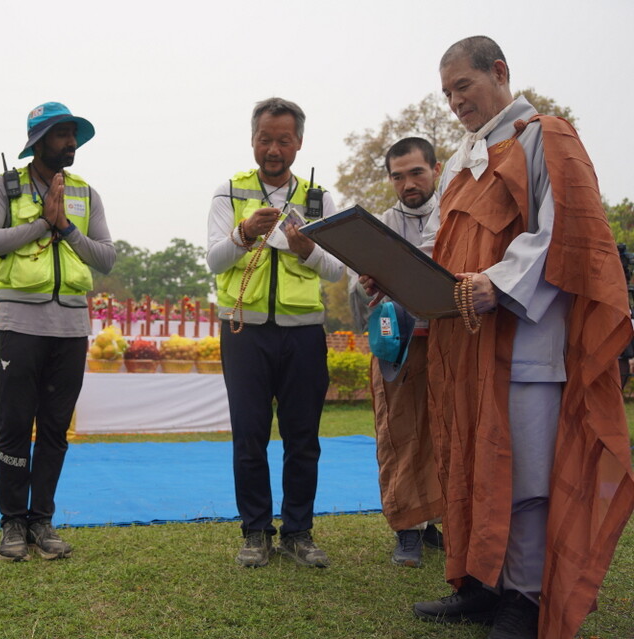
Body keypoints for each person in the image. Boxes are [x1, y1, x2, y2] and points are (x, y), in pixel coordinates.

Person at [361, 37, 633, 639]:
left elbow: (562, 231)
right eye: (448, 93)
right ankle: (481, 584)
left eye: (464, 86)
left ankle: (526, 599)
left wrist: (497, 281)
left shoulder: (545, 135)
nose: (456, 102)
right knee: (471, 465)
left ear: (500, 72)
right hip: (465, 347)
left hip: (527, 344)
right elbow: (439, 250)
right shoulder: (464, 160)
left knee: (527, 479)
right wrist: (393, 275)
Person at [0, 102, 115, 562]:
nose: (71, 143)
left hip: (71, 326)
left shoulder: (85, 193)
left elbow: (106, 257)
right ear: (38, 141)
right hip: (20, 324)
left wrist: (65, 227)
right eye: (61, 135)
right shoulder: (5, 186)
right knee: (14, 426)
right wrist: (38, 225)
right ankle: (13, 522)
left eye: (74, 135)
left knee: (55, 428)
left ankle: (42, 520)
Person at [206, 97, 345, 568]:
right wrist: (243, 234)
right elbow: (214, 260)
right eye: (265, 139)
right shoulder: (229, 193)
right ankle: (255, 533)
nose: (273, 149)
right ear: (252, 140)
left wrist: (306, 248)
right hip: (243, 330)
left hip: (303, 333)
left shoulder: (318, 198)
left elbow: (336, 271)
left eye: (283, 140)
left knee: (302, 437)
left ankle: (299, 532)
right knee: (249, 435)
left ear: (298, 143)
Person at [348, 137, 444, 568]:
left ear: (436, 170)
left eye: (416, 172)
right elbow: (357, 291)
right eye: (398, 176)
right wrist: (366, 284)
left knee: (446, 432)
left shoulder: (456, 215)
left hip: (448, 340)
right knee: (399, 434)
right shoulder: (379, 226)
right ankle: (407, 528)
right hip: (397, 346)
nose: (408, 183)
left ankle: (437, 522)